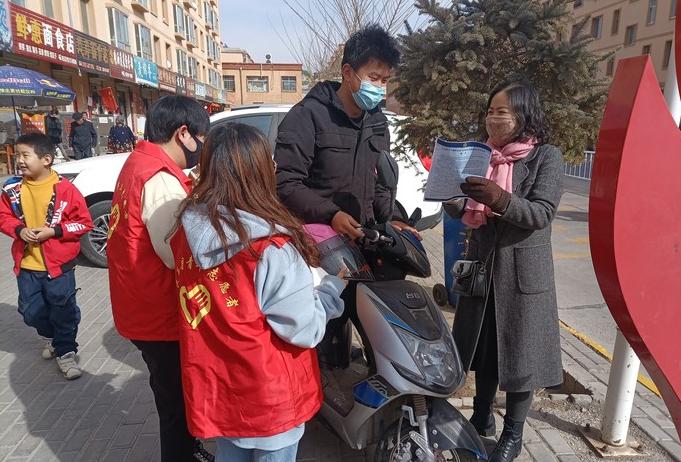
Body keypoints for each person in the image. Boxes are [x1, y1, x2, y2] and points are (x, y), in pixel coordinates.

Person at [170, 123, 346, 462]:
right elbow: (304, 329)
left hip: (220, 391)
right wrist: (331, 290)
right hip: (268, 401)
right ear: (259, 173)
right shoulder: (270, 248)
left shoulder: (185, 231)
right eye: (271, 162)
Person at [274, 24, 414, 369]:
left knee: (377, 330)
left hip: (364, 242)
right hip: (318, 249)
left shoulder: (377, 122)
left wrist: (392, 218)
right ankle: (321, 393)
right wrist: (331, 213)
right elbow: (286, 184)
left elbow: (379, 181)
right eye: (374, 77)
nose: (379, 87)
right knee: (326, 330)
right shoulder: (307, 117)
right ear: (348, 72)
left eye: (385, 79)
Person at [450, 80, 563, 462]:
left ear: (524, 114)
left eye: (503, 111)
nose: (494, 119)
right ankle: (481, 417)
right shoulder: (481, 154)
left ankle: (513, 435)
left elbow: (541, 213)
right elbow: (468, 209)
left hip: (522, 276)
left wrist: (497, 197)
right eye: (490, 110)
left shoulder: (546, 157)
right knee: (485, 351)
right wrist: (452, 199)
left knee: (520, 357)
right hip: (483, 268)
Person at [107, 96, 214, 462]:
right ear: (183, 134)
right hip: (158, 313)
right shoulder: (161, 180)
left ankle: (188, 450)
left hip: (137, 304)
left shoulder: (139, 162)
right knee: (177, 407)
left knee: (170, 397)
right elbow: (178, 254)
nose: (202, 147)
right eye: (201, 137)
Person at [0, 133, 93, 380]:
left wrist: (55, 231)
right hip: (27, 265)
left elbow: (84, 223)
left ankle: (65, 352)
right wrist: (19, 230)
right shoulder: (12, 188)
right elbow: (3, 217)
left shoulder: (66, 190)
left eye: (25, 155)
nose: (19, 160)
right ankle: (52, 336)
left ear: (47, 159)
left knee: (63, 309)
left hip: (59, 267)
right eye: (17, 154)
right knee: (29, 311)